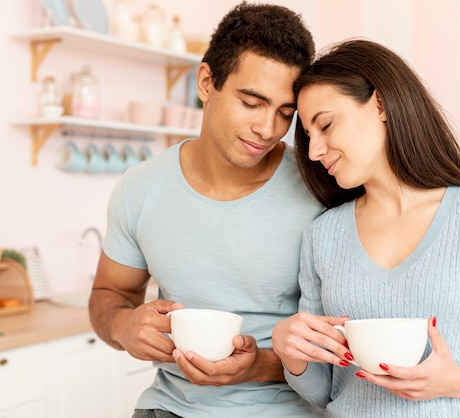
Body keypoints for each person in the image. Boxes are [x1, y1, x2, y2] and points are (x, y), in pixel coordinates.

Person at [271, 39, 460, 417]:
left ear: (380, 104)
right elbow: (323, 392)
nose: (313, 152)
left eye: (325, 124)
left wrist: (459, 381)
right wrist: (289, 350)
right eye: (309, 136)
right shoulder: (323, 235)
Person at [88, 2, 325, 417]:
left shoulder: (319, 190)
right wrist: (123, 326)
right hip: (168, 407)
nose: (267, 129)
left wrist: (258, 367)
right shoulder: (139, 188)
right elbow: (109, 295)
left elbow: (343, 343)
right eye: (251, 102)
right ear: (206, 82)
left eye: (285, 113)